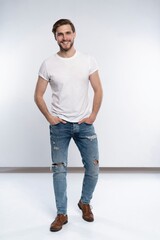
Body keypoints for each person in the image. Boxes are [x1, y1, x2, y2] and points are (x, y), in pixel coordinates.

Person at [34, 19, 103, 232]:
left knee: (93, 168)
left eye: (68, 33)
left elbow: (98, 90)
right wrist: (50, 117)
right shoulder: (48, 63)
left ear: (74, 34)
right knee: (59, 171)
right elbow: (38, 95)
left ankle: (84, 202)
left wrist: (92, 115)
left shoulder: (88, 60)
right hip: (60, 126)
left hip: (84, 125)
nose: (64, 38)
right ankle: (61, 214)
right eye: (60, 34)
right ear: (55, 37)